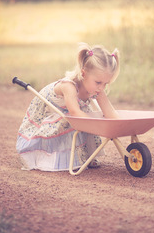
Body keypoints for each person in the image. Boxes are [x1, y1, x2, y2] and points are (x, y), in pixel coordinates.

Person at [16, 43, 120, 171]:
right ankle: (52, 157)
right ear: (83, 73)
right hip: (51, 112)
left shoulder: (97, 89)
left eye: (106, 84)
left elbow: (110, 112)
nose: (101, 88)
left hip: (70, 112)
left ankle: (84, 156)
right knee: (74, 121)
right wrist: (98, 125)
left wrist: (120, 126)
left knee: (87, 118)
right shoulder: (68, 86)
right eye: (98, 82)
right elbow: (75, 113)